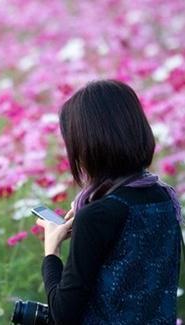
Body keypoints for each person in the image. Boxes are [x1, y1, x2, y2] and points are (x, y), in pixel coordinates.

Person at [35, 78, 184, 324]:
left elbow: (62, 315)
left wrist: (51, 252)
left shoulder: (98, 215)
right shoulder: (164, 197)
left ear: (86, 146)